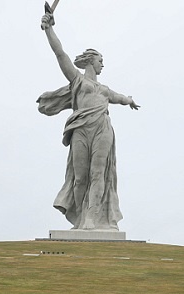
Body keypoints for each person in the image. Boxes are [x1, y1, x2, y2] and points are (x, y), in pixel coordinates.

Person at [38, 10, 139, 230]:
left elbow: (119, 98)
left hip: (102, 128)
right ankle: (80, 218)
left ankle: (92, 218)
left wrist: (129, 100)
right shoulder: (78, 81)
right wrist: (49, 29)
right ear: (91, 62)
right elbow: (60, 54)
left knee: (98, 173)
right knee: (80, 177)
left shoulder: (104, 90)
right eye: (101, 60)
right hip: (81, 130)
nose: (103, 64)